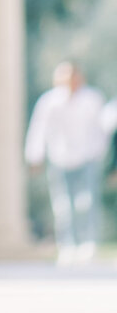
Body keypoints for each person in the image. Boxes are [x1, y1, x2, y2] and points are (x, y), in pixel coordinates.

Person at [25, 61, 112, 263]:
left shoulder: (92, 99)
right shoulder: (49, 102)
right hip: (60, 158)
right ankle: (68, 244)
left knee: (88, 202)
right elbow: (40, 129)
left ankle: (88, 243)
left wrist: (100, 154)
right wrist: (35, 156)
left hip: (87, 157)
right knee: (63, 204)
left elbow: (102, 129)